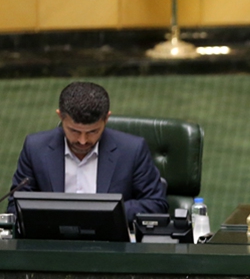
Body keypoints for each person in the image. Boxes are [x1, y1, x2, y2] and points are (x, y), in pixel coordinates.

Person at [9, 81, 167, 220]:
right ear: (60, 117)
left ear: (106, 119)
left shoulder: (132, 150)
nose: (82, 141)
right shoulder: (35, 148)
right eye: (74, 131)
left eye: (92, 132)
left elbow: (156, 204)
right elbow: (15, 206)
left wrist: (103, 213)